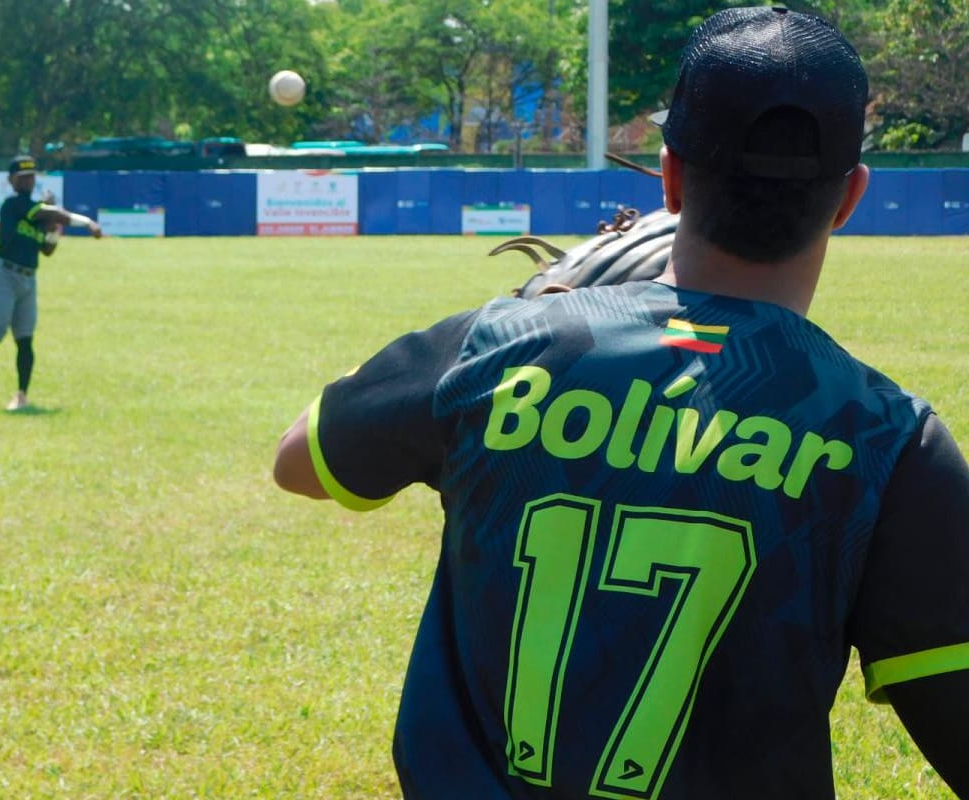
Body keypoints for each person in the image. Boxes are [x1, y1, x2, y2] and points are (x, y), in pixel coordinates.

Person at [274, 8, 969, 800]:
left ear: (670, 176)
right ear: (850, 196)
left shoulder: (498, 346)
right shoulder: (891, 443)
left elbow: (299, 459)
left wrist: (532, 307)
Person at [0, 154, 102, 410]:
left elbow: (46, 251)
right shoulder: (13, 205)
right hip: (5, 275)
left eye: (31, 177)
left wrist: (51, 228)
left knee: (25, 338)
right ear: (12, 180)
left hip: (28, 279)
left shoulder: (38, 214)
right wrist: (86, 222)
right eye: (22, 177)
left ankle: (21, 396)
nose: (27, 181)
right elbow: (49, 212)